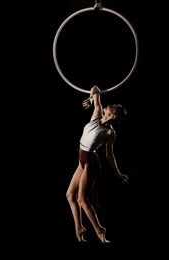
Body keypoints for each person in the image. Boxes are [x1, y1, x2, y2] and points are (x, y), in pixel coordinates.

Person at [66, 86, 129, 243]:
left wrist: (118, 173)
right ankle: (79, 227)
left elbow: (109, 155)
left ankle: (100, 230)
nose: (108, 106)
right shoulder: (97, 113)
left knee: (82, 199)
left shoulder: (110, 133)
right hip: (82, 158)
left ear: (113, 116)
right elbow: (95, 89)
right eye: (109, 105)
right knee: (69, 196)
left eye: (111, 107)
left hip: (90, 162)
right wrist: (91, 97)